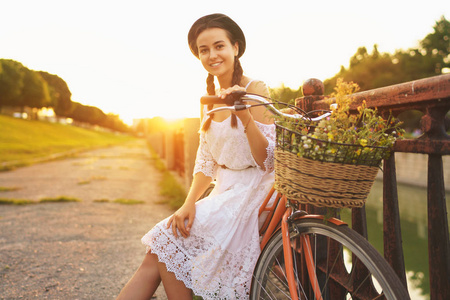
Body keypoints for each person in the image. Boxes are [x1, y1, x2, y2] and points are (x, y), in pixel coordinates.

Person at [117, 13, 275, 300]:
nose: (212, 55)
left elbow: (268, 160)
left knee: (166, 243)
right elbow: (206, 161)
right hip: (226, 191)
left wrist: (247, 117)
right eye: (204, 50)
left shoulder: (256, 89)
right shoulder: (209, 98)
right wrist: (189, 203)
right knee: (161, 249)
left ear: (235, 47)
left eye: (219, 46)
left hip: (255, 192)